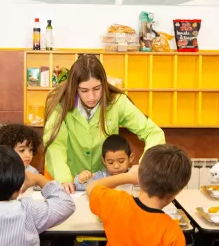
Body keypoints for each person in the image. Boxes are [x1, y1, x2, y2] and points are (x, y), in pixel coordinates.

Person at [44, 54, 165, 193]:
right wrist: (64, 179)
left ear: (104, 83)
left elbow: (153, 133)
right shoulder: (59, 104)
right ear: (74, 87)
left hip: (106, 181)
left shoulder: (118, 102)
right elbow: (55, 145)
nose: (91, 97)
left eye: (97, 89)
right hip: (69, 179)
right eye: (84, 90)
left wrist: (144, 166)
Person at [86, 144, 191, 246]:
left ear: (139, 179)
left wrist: (128, 177)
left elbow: (91, 187)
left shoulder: (117, 203)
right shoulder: (172, 233)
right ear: (178, 191)